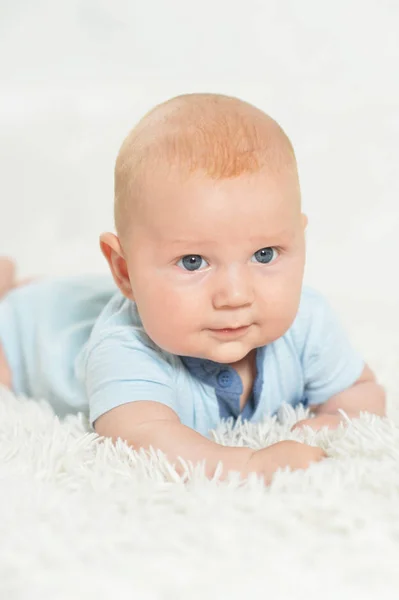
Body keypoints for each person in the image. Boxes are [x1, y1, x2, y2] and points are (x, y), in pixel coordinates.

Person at [0, 93, 386, 485]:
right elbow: (141, 440)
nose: (235, 295)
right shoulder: (125, 348)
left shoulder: (309, 322)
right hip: (22, 331)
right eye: (193, 262)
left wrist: (338, 417)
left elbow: (359, 388)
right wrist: (248, 466)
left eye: (265, 254)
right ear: (124, 270)